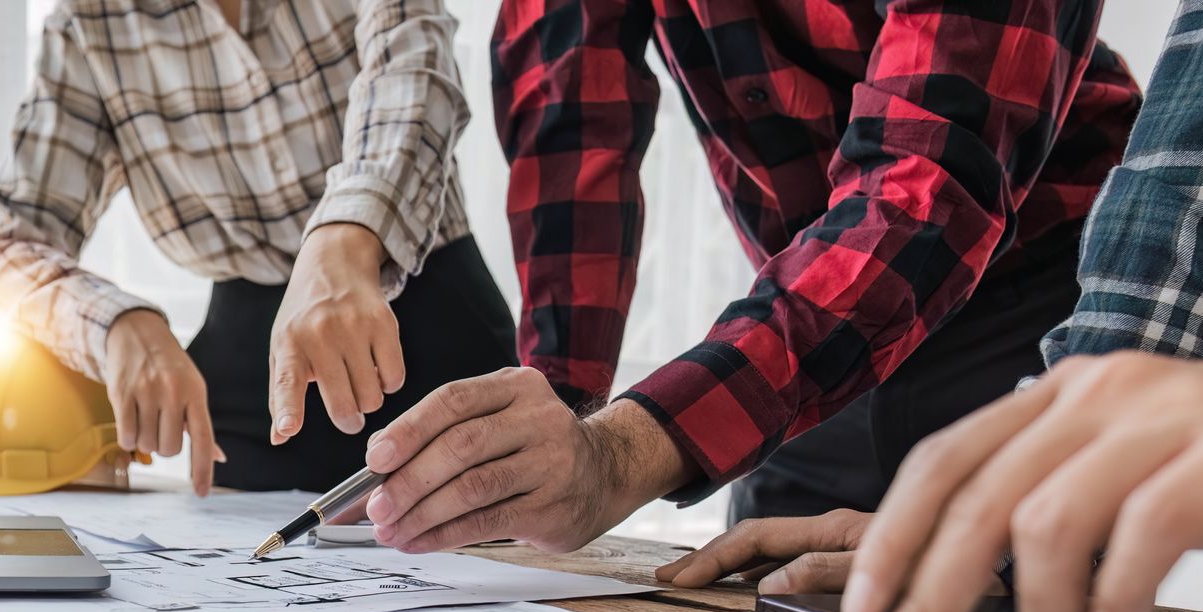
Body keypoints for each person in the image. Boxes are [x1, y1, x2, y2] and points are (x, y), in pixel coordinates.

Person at [657, 0, 1203, 612]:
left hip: (1029, 285)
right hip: (823, 311)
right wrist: (593, 428)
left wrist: (641, 438)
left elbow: (927, 175)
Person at [360, 0, 1141, 550]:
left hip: (1037, 304)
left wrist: (619, 456)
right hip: (818, 312)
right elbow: (572, 116)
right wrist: (547, 434)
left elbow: (923, 190)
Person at [0, 0, 516, 496]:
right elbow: (9, 246)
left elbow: (415, 66)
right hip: (253, 404)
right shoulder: (87, 22)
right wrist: (115, 325)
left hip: (441, 349)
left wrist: (347, 236)